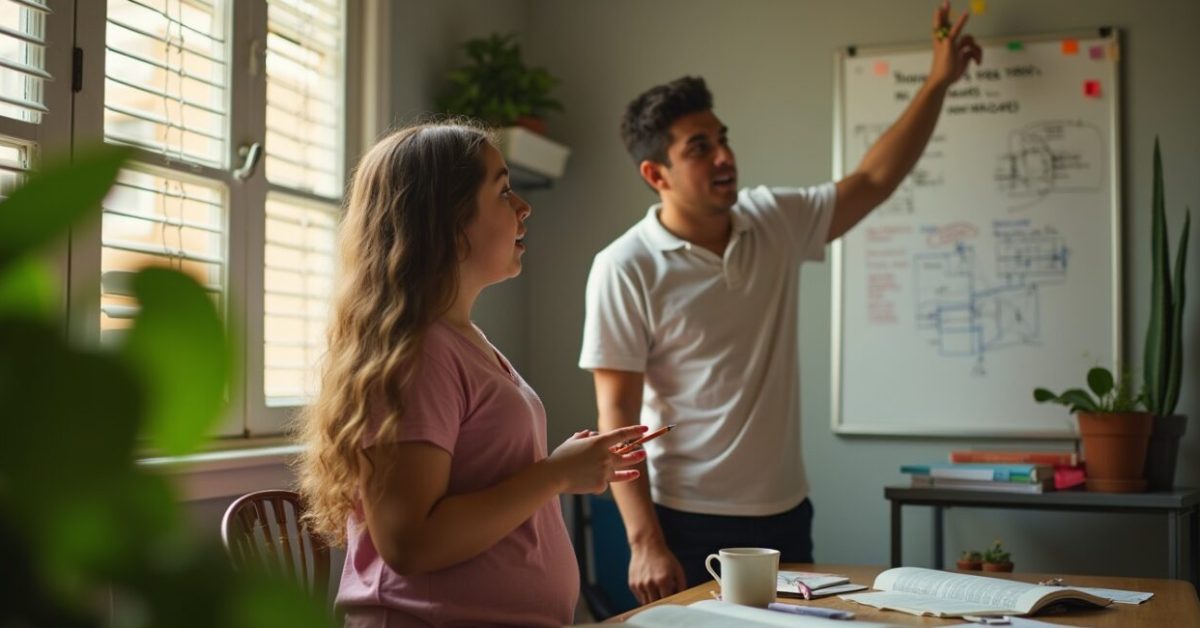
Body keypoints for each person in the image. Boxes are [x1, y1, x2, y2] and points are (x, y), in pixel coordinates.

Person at [579, 2, 982, 603]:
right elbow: (618, 419)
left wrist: (937, 82)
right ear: (655, 173)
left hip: (786, 514)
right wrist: (644, 541)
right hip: (685, 519)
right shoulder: (624, 266)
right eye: (699, 147)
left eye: (723, 138)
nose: (724, 156)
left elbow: (873, 181)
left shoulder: (774, 220)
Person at [296, 122, 649, 626]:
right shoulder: (420, 353)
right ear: (447, 219)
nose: (523, 207)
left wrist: (561, 469)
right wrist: (553, 474)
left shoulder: (461, 341)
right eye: (503, 191)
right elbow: (409, 543)